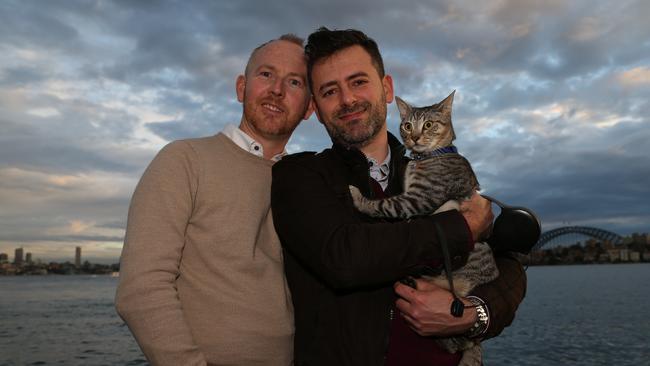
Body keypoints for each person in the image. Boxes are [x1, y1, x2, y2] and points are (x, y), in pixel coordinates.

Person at [271, 27, 526, 366]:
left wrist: (473, 313)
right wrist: (462, 229)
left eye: (358, 82)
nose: (347, 100)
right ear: (317, 109)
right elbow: (345, 258)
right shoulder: (299, 177)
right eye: (330, 91)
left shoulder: (435, 171)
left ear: (387, 89)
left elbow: (510, 264)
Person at [115, 34, 313, 366]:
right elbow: (140, 290)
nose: (277, 89)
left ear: (309, 107)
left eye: (294, 81)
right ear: (241, 87)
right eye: (266, 74)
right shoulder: (184, 160)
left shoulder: (303, 183)